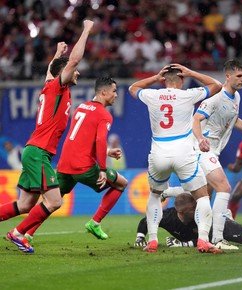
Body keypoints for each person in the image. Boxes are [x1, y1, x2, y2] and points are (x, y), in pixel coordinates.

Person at [1, 20, 94, 254]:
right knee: (54, 201)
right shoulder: (58, 88)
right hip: (38, 153)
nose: (78, 72)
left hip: (35, 150)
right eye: (73, 71)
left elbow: (52, 71)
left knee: (25, 204)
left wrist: (55, 54)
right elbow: (74, 61)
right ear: (63, 73)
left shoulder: (50, 86)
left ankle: (18, 232)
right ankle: (18, 234)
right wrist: (86, 30)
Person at [162, 59, 242, 250]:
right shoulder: (215, 98)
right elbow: (196, 120)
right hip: (202, 149)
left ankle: (169, 194)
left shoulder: (236, 98)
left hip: (212, 151)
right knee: (224, 187)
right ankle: (218, 239)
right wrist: (200, 140)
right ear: (227, 76)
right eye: (239, 76)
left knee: (202, 195)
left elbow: (234, 120)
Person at [129, 64, 223, 253]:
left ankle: (153, 240)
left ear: (165, 80)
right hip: (183, 152)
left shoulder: (152, 95)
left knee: (155, 195)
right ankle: (203, 240)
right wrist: (191, 72)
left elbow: (133, 88)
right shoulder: (188, 94)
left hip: (158, 153)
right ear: (181, 79)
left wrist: (155, 78)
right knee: (202, 196)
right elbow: (216, 85)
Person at [24, 77, 128, 242]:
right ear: (104, 92)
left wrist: (107, 152)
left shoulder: (81, 107)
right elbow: (100, 140)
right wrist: (102, 169)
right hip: (83, 167)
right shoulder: (104, 115)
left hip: (65, 164)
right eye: (114, 91)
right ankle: (95, 222)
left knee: (51, 201)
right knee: (121, 183)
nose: (116, 95)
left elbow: (82, 139)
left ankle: (25, 233)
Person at [134, 193, 242, 248]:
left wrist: (183, 244)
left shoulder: (203, 216)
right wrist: (140, 237)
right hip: (205, 232)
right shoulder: (168, 217)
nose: (197, 211)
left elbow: (205, 238)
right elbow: (146, 220)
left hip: (219, 225)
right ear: (180, 212)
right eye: (193, 209)